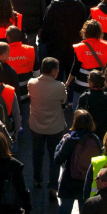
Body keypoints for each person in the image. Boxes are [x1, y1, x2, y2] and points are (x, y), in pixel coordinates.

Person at [52, 108, 102, 214]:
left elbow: (58, 158)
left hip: (70, 179)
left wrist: (61, 143)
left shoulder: (70, 139)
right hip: (87, 179)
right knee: (84, 210)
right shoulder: (94, 139)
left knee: (65, 208)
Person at [28, 56, 68, 198]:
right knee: (54, 156)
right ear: (52, 71)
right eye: (57, 69)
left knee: (37, 153)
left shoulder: (32, 83)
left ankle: (37, 179)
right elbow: (64, 100)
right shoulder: (59, 86)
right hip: (54, 127)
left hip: (36, 125)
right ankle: (52, 186)